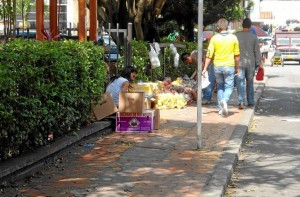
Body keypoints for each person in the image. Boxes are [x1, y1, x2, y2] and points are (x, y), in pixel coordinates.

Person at [202, 18, 240, 116]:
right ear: (227, 27)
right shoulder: (233, 38)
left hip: (217, 67)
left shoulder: (214, 38)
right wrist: (237, 68)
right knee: (229, 86)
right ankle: (224, 100)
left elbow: (209, 55)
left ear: (218, 27)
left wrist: (205, 68)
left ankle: (220, 109)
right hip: (229, 66)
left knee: (220, 87)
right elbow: (237, 56)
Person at [235, 18, 263, 109]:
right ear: (250, 26)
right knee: (250, 82)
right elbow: (257, 52)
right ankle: (250, 101)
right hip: (251, 63)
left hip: (239, 63)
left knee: (240, 82)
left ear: (242, 25)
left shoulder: (236, 36)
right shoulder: (254, 37)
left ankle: (241, 101)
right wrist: (259, 64)